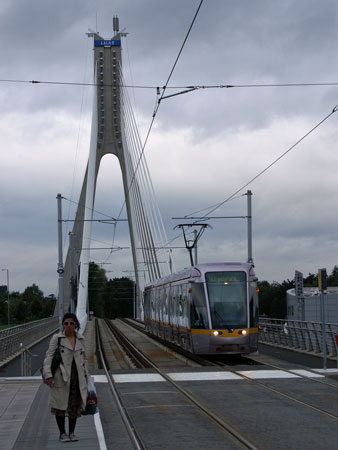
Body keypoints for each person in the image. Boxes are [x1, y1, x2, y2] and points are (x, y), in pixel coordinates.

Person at [42, 313, 89, 442]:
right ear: (63, 325)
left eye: (71, 323)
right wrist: (48, 375)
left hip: (77, 376)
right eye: (66, 323)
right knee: (60, 405)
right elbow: (49, 358)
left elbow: (84, 358)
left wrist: (86, 375)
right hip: (61, 377)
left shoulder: (80, 339)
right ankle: (62, 433)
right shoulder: (56, 339)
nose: (68, 326)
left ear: (76, 325)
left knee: (74, 405)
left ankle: (72, 432)